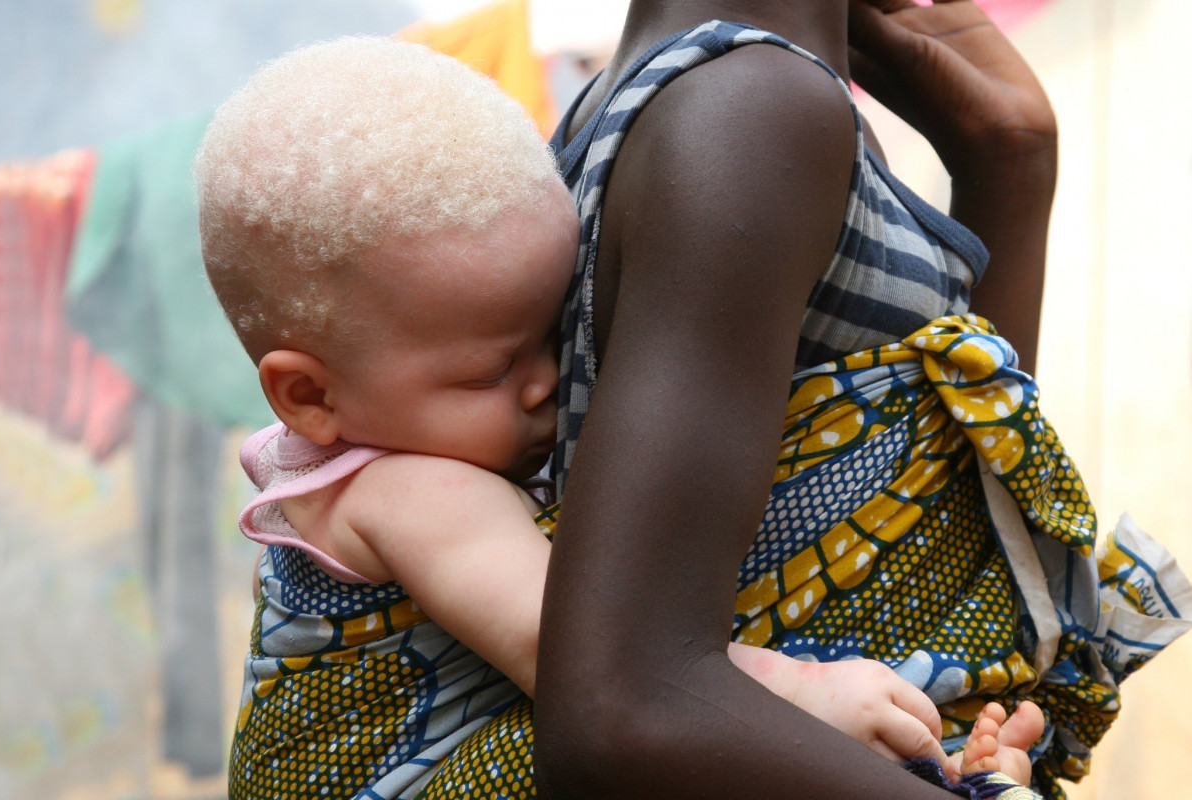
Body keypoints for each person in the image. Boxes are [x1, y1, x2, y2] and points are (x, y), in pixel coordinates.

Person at [194, 34, 1046, 800]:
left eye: (551, 332)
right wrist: (803, 697)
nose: (544, 383)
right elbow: (563, 652)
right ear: (309, 396)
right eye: (492, 369)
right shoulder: (409, 492)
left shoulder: (373, 445)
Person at [531, 1, 1189, 799]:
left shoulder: (653, 98)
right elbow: (623, 704)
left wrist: (1006, 164)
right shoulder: (755, 107)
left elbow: (942, 527)